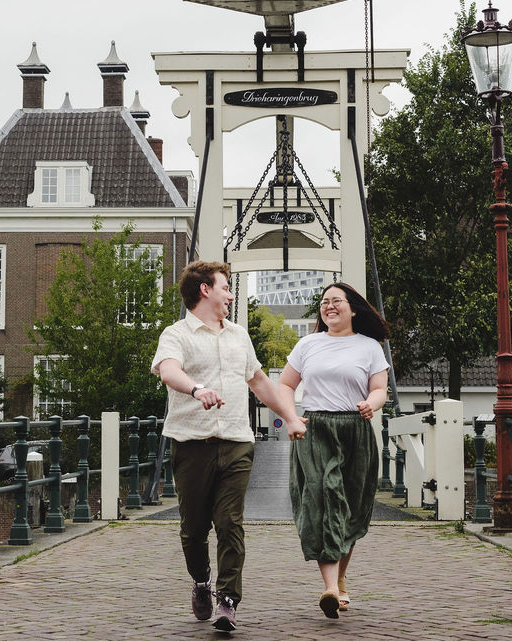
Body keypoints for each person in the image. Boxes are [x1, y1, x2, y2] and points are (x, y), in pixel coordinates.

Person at [152, 260, 305, 633]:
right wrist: (196, 389)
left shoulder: (239, 336)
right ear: (205, 289)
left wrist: (293, 416)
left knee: (230, 524)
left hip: (237, 441)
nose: (231, 295)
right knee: (192, 529)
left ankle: (228, 601)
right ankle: (202, 581)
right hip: (192, 444)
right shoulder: (176, 334)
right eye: (226, 287)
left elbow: (260, 382)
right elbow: (169, 370)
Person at [274, 281, 389, 618]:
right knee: (323, 498)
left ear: (353, 308)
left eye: (336, 301)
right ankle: (328, 588)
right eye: (324, 302)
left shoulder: (369, 347)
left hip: (355, 429)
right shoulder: (308, 344)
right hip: (315, 429)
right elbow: (285, 384)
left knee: (350, 505)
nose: (329, 306)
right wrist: (292, 417)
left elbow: (380, 388)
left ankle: (339, 580)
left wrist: (371, 403)